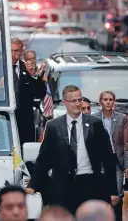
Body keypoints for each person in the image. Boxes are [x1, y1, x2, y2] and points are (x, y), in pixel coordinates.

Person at [26, 85, 118, 214]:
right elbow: (44, 159)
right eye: (73, 101)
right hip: (64, 185)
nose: (78, 104)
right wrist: (32, 185)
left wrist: (113, 191)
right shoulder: (54, 126)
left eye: (79, 100)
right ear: (65, 103)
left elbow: (108, 158)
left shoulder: (94, 124)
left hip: (90, 183)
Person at [0, 38, 46, 145]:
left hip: (24, 121)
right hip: (2, 119)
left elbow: (39, 94)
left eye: (16, 51)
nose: (13, 54)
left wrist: (33, 76)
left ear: (21, 52)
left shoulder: (28, 68)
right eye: (11, 50)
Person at [93, 90, 128, 221]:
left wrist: (126, 165)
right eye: (105, 99)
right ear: (100, 101)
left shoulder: (122, 118)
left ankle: (117, 218)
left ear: (114, 101)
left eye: (110, 99)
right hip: (100, 159)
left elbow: (125, 143)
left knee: (118, 194)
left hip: (116, 159)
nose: (108, 102)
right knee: (101, 191)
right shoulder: (94, 118)